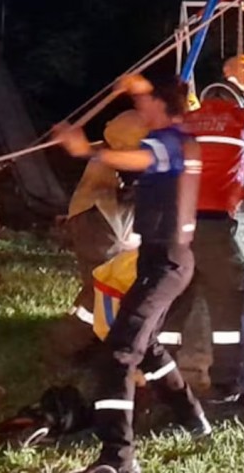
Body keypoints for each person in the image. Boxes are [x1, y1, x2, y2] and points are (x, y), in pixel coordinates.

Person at [54, 74, 210, 473]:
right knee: (149, 345)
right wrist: (136, 86)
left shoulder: (168, 142)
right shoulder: (178, 136)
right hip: (160, 259)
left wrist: (83, 150)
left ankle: (117, 458)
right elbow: (148, 125)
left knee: (120, 354)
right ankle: (193, 420)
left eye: (145, 103)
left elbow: (137, 158)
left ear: (160, 105)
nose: (139, 110)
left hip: (166, 263)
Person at [171, 55, 244, 399]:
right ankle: (224, 383)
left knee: (174, 302)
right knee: (227, 303)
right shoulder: (241, 120)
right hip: (215, 228)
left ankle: (159, 376)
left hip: (178, 227)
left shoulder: (186, 121)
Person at [53, 110, 148, 359]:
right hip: (99, 218)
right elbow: (131, 164)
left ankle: (81, 342)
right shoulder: (135, 123)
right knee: (106, 286)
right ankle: (75, 344)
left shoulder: (137, 123)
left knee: (100, 286)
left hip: (100, 217)